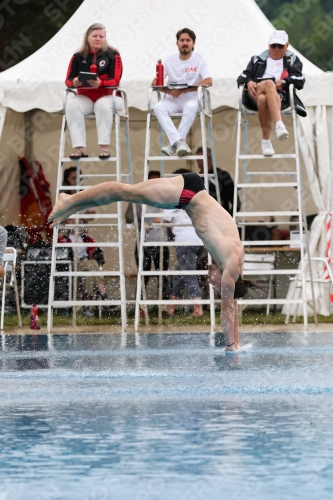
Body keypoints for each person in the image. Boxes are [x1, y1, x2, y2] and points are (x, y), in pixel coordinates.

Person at [49, 174, 266, 351]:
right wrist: (231, 347)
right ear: (227, 281)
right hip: (187, 195)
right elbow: (227, 308)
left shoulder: (234, 263)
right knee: (126, 191)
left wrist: (236, 341)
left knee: (127, 192)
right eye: (216, 285)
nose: (210, 282)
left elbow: (232, 306)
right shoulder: (230, 263)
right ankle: (68, 200)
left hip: (191, 190)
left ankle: (71, 205)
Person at [237, 30, 305, 157]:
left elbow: (300, 80)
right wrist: (248, 82)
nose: (277, 49)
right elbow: (241, 77)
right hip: (254, 95)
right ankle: (279, 124)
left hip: (281, 97)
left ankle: (266, 141)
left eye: (280, 46)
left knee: (264, 99)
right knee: (268, 83)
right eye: (274, 46)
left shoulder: (292, 60)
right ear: (269, 45)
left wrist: (284, 82)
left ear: (287, 45)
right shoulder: (257, 60)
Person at [65, 23, 123, 160]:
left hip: (111, 97)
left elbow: (115, 79)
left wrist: (100, 83)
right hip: (87, 97)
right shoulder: (78, 56)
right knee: (72, 105)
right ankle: (80, 149)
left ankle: (104, 147)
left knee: (102, 105)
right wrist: (74, 82)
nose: (98, 39)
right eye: (95, 36)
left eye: (101, 36)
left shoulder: (113, 55)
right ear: (87, 38)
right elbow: (68, 80)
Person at [153, 28, 212, 157]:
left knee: (191, 106)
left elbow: (208, 81)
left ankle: (173, 144)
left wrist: (186, 89)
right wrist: (168, 90)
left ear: (193, 43)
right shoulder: (169, 60)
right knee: (158, 107)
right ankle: (179, 142)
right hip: (173, 98)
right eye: (182, 40)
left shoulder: (200, 59)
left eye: (188, 40)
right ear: (177, 43)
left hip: (192, 97)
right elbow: (155, 83)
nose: (185, 43)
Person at [163, 169, 205, 318]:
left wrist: (149, 224)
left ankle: (198, 309)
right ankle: (171, 307)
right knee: (181, 274)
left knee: (189, 274)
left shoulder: (174, 197)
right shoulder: (197, 195)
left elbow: (164, 220)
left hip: (185, 240)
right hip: (200, 241)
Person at [125, 171, 170, 304]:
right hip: (143, 242)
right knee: (143, 275)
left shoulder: (166, 198)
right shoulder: (139, 198)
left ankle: (165, 305)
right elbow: (129, 217)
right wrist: (140, 223)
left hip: (161, 241)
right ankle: (141, 305)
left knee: (162, 275)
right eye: (152, 181)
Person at [58, 221, 108, 317]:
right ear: (66, 223)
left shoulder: (84, 237)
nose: (73, 223)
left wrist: (89, 237)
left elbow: (97, 251)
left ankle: (86, 308)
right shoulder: (63, 238)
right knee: (92, 263)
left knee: (88, 276)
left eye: (74, 221)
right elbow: (61, 254)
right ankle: (103, 292)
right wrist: (73, 257)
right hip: (73, 266)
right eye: (70, 221)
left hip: (86, 266)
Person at [195, 147, 240, 216]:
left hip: (221, 219)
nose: (199, 161)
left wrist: (229, 218)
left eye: (201, 157)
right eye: (197, 159)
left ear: (210, 158)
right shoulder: (196, 179)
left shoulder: (223, 176)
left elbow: (235, 201)